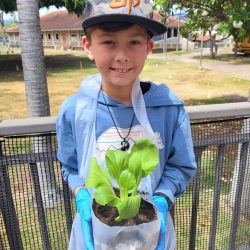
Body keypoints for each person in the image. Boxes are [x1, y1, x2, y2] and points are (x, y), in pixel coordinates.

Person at [56, 0, 197, 249]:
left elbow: (180, 165)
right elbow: (69, 166)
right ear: (88, 46)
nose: (122, 56)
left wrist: (162, 198)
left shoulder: (168, 108)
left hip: (148, 231)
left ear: (148, 47)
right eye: (109, 42)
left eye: (134, 42)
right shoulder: (75, 111)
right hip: (97, 232)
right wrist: (81, 192)